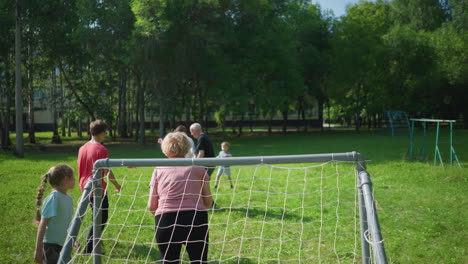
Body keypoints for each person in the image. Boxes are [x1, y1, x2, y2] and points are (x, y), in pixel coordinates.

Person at [148, 132, 213, 263]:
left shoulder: (159, 169)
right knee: (199, 260)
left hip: (166, 221)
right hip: (195, 219)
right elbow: (208, 202)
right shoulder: (199, 169)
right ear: (188, 147)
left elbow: (151, 206)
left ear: (165, 148)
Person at [77, 120, 122, 254]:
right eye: (105, 132)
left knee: (97, 216)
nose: (105, 135)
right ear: (102, 133)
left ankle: (94, 241)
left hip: (84, 186)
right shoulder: (101, 149)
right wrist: (117, 185)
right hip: (97, 188)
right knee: (101, 218)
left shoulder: (82, 148)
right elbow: (107, 171)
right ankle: (89, 249)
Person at [34, 164, 75, 264]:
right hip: (51, 247)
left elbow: (66, 223)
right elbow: (42, 224)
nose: (75, 180)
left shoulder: (68, 198)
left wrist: (73, 240)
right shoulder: (54, 198)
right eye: (73, 177)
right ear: (66, 179)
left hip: (64, 245)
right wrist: (38, 250)